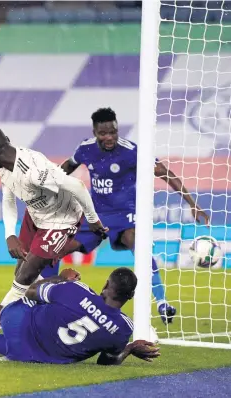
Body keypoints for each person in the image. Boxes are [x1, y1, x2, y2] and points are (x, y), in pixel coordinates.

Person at [58, 107, 210, 324]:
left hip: (125, 216)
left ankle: (162, 302)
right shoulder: (85, 148)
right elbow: (67, 166)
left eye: (113, 132)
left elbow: (165, 173)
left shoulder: (131, 151)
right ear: (95, 132)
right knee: (58, 249)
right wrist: (50, 184)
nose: (109, 137)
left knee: (139, 245)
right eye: (103, 133)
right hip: (96, 215)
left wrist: (192, 203)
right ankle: (44, 289)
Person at [0, 127, 108, 340]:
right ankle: (61, 288)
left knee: (25, 276)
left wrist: (93, 220)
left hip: (60, 219)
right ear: (7, 140)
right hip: (35, 214)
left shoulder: (33, 170)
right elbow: (8, 199)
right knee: (21, 272)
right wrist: (10, 234)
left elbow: (78, 186)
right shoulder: (3, 167)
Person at [0, 267, 160, 365]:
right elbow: (105, 361)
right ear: (131, 295)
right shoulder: (123, 329)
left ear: (105, 284)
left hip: (22, 323)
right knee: (7, 344)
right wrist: (129, 348)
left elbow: (32, 291)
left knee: (5, 310)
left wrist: (60, 277)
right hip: (35, 355)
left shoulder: (77, 290)